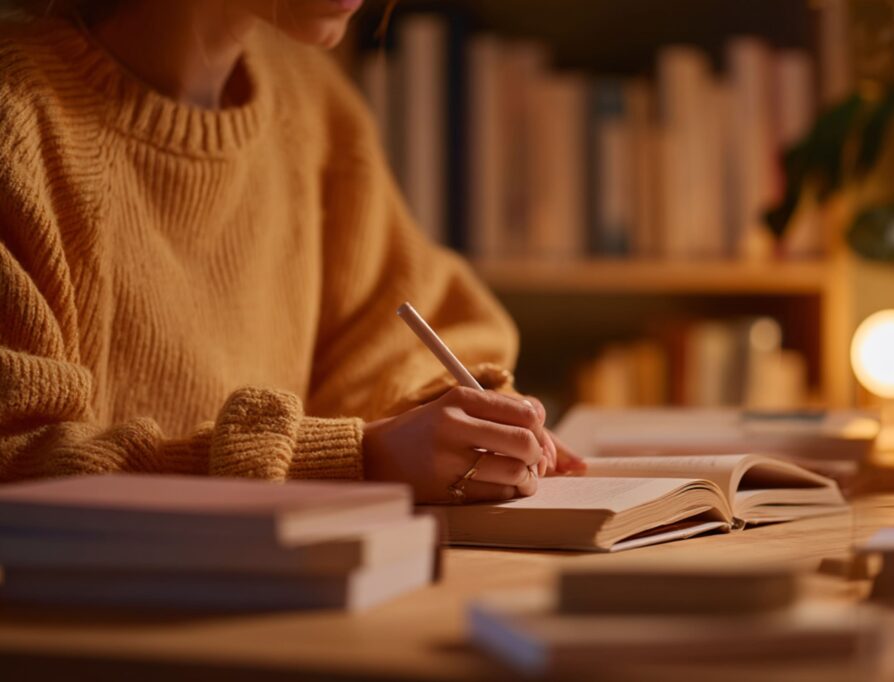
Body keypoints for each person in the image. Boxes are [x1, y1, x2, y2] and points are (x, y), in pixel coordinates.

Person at [0, 0, 585, 501]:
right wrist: (354, 459)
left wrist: (463, 419)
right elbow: (17, 464)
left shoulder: (312, 103)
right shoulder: (19, 119)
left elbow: (398, 345)